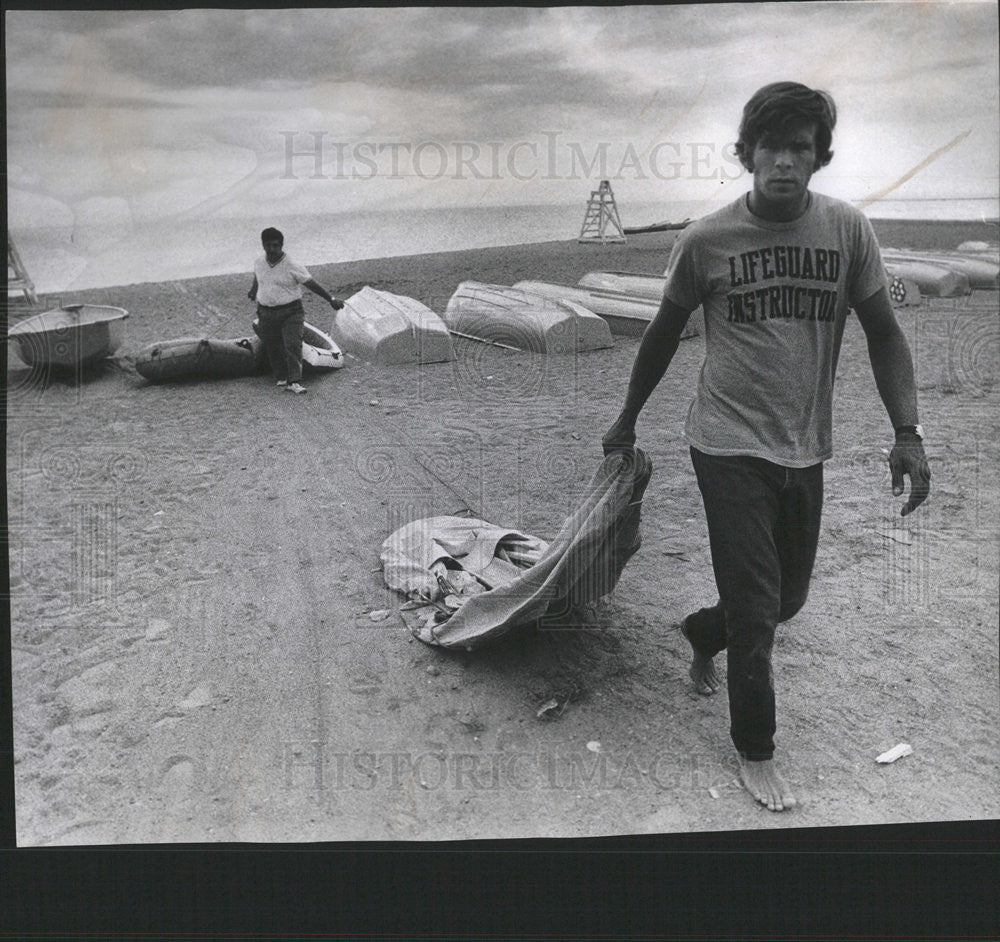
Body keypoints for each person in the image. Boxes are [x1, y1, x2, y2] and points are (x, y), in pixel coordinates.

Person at [603, 82, 931, 812]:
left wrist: (907, 432)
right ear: (745, 154)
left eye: (800, 149)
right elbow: (661, 335)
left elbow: (884, 331)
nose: (784, 162)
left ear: (819, 159)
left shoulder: (847, 232)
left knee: (788, 599)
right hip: (723, 443)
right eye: (771, 147)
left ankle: (700, 631)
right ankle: (756, 749)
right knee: (759, 610)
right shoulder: (707, 240)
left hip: (803, 444)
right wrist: (627, 418)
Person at [248, 227, 344, 394]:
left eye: (275, 245)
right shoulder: (259, 261)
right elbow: (257, 276)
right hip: (266, 312)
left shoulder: (292, 264)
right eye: (268, 245)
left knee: (292, 344)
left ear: (281, 245)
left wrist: (331, 299)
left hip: (291, 312)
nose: (271, 249)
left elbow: (311, 283)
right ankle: (281, 377)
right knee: (272, 345)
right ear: (263, 245)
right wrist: (253, 290)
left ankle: (295, 381)